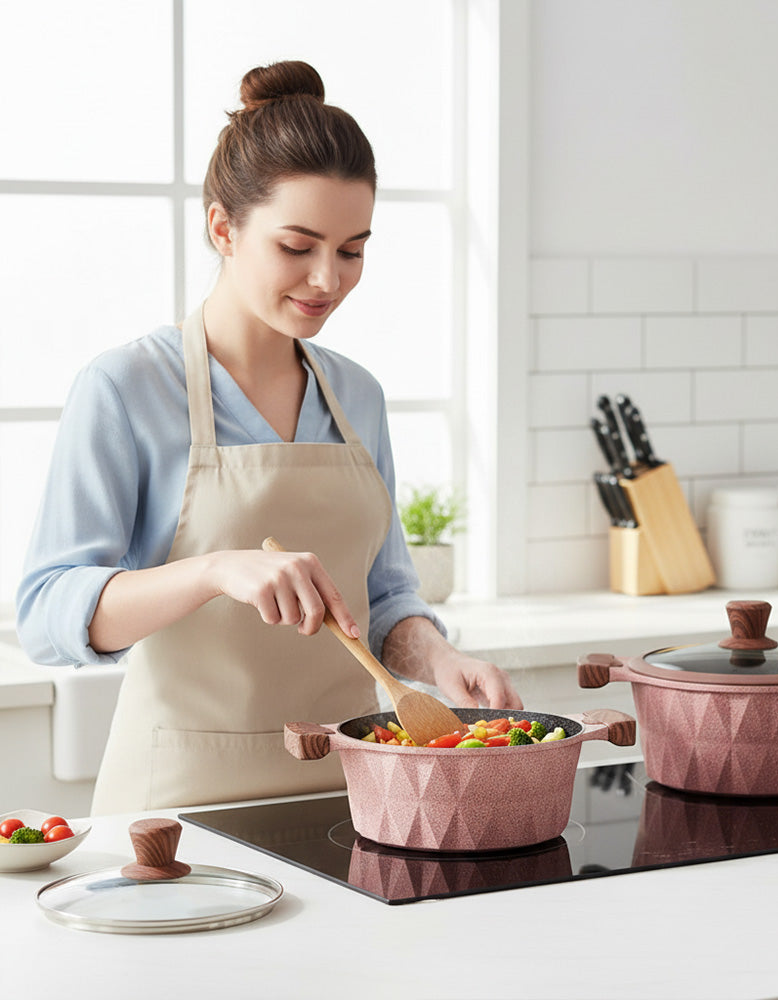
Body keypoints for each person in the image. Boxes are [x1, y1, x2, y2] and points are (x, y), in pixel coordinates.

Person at [16, 60, 522, 815]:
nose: (328, 279)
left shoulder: (357, 395)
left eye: (352, 250)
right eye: (297, 246)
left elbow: (382, 598)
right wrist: (213, 571)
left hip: (352, 791)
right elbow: (48, 612)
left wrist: (437, 658)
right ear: (223, 226)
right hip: (180, 806)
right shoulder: (126, 388)